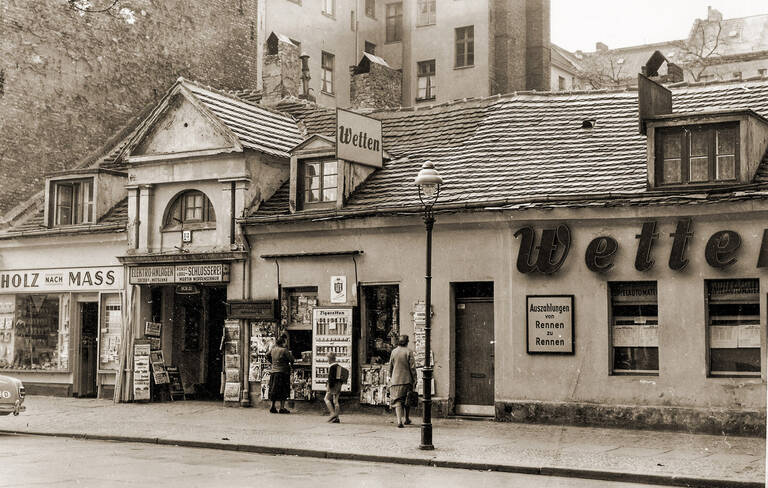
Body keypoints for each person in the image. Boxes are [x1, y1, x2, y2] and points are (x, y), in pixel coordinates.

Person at [388, 334, 417, 428]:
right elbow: (412, 368)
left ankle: (399, 421)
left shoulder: (394, 352)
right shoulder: (408, 351)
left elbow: (390, 367)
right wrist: (415, 379)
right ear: (407, 342)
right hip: (407, 380)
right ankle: (407, 418)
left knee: (398, 401)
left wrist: (390, 377)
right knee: (407, 400)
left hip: (395, 380)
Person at [267, 334, 294, 414]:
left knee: (274, 390)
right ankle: (282, 408)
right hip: (283, 372)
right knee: (283, 390)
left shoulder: (273, 349)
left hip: (274, 372)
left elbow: (267, 355)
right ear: (283, 342)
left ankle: (272, 406)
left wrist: (272, 362)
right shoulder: (284, 350)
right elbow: (291, 359)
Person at [324, 352, 343, 423]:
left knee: (326, 399)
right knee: (336, 401)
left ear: (330, 359)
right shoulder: (338, 366)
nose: (327, 360)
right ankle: (337, 418)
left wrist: (329, 387)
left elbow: (331, 378)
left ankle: (332, 414)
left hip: (333, 386)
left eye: (327, 358)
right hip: (338, 385)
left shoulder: (332, 367)